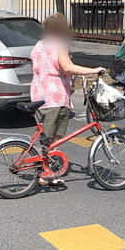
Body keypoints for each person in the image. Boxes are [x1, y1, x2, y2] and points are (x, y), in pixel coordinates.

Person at [29, 14, 105, 185]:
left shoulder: (39, 45)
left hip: (38, 94)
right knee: (53, 137)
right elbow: (67, 67)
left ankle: (48, 170)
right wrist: (93, 70)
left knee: (46, 136)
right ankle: (44, 173)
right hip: (54, 96)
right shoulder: (59, 46)